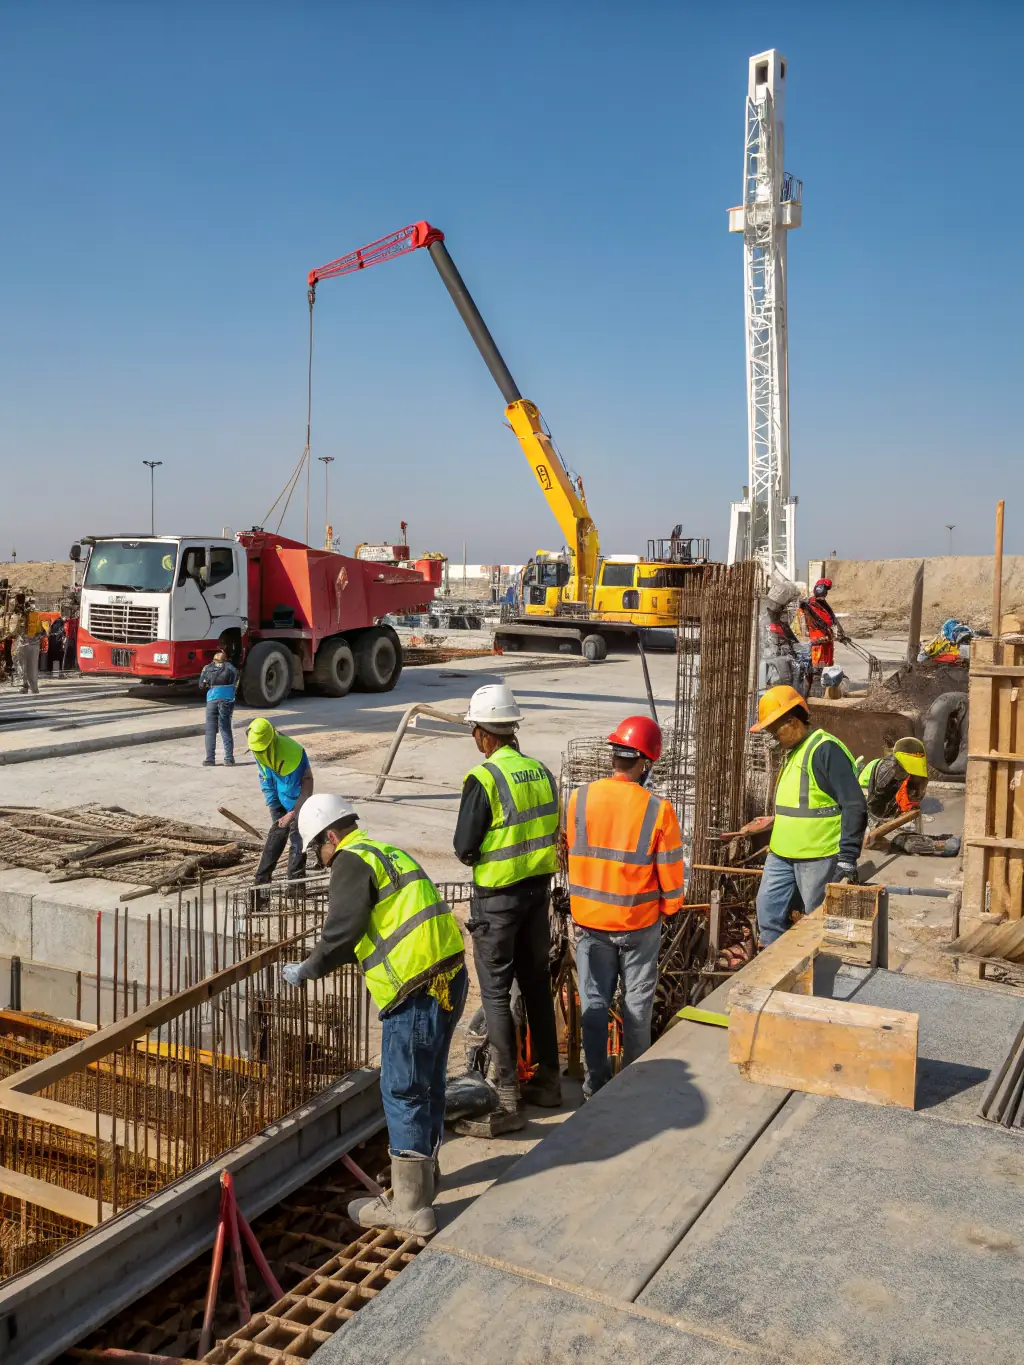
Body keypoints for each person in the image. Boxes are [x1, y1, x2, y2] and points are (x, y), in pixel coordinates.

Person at [287, 794, 466, 1236]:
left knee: (402, 1089)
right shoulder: (386, 852)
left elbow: (342, 931)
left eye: (317, 849)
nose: (320, 860)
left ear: (331, 836)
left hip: (414, 988)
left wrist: (309, 968)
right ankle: (427, 1177)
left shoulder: (350, 861)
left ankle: (411, 1208)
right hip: (449, 976)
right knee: (429, 1082)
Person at [453, 683, 561, 1131]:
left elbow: (464, 846)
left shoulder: (484, 778)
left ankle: (508, 1098)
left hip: (498, 900)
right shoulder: (540, 771)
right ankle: (549, 1081)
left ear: (484, 734)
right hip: (537, 894)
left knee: (496, 994)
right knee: (535, 984)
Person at [566, 716, 684, 1098]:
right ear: (645, 763)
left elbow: (571, 851)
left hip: (591, 925)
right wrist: (669, 908)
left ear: (614, 755)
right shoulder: (658, 809)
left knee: (594, 1007)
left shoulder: (579, 798)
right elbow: (671, 877)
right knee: (636, 1010)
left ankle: (594, 1087)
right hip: (638, 925)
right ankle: (632, 1093)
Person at [751, 685, 867, 946]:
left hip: (818, 856)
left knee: (818, 922)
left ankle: (822, 965)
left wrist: (848, 858)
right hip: (781, 855)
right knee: (768, 913)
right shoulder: (795, 751)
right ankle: (773, 965)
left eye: (775, 731)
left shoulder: (825, 750)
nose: (773, 738)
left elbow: (854, 805)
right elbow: (803, 804)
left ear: (792, 722)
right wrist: (775, 820)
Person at [248, 718, 313, 886]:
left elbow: (307, 783)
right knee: (276, 834)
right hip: (277, 795)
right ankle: (261, 883)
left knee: (298, 838)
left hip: (297, 800)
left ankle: (296, 885)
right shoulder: (258, 747)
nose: (259, 753)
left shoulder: (293, 754)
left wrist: (293, 813)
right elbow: (265, 777)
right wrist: (273, 804)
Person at [858, 737, 928, 823]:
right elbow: (873, 805)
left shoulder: (912, 771)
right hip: (865, 786)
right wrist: (889, 818)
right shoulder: (889, 771)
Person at [798, 578, 848, 678]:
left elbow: (832, 621)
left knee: (827, 668)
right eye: (824, 591)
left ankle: (826, 682)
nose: (825, 594)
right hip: (817, 643)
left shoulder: (824, 605)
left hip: (827, 642)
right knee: (817, 670)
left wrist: (840, 634)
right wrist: (810, 638)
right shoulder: (807, 606)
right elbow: (804, 629)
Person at [199, 648, 238, 766]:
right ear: (225, 659)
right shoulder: (231, 668)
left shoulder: (207, 668)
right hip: (226, 701)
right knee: (225, 728)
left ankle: (210, 759)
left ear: (214, 660)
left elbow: (201, 685)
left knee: (210, 730)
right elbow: (236, 683)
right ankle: (229, 759)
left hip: (212, 700)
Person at [13, 596, 43, 695]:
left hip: (23, 643)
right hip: (33, 643)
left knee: (20, 663)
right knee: (32, 666)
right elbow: (44, 631)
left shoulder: (19, 615)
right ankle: (33, 688)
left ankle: (24, 685)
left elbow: (15, 630)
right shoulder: (37, 615)